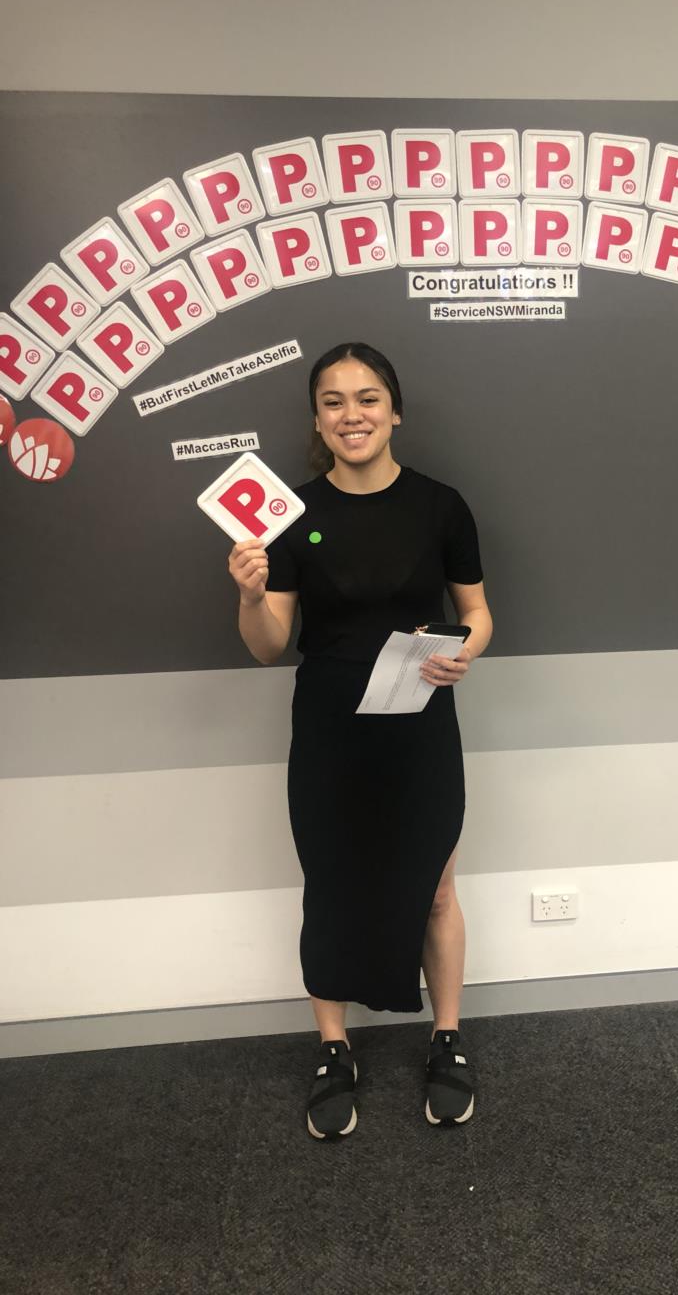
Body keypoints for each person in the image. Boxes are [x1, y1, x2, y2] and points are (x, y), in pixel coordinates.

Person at [227, 341, 492, 1140]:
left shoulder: (442, 506)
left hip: (421, 720)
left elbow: (477, 613)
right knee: (332, 886)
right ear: (317, 420)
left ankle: (447, 1038)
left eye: (368, 398)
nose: (353, 415)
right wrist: (250, 596)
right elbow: (269, 645)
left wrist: (465, 653)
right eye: (334, 402)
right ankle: (333, 1049)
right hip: (330, 727)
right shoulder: (289, 516)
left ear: (394, 410)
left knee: (435, 888)